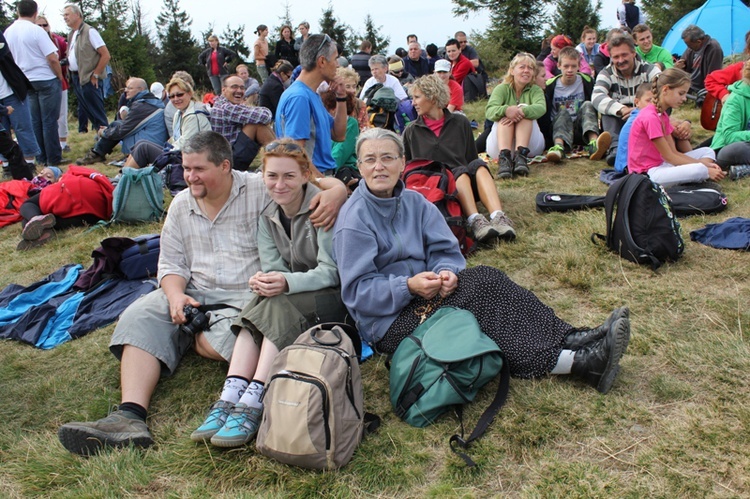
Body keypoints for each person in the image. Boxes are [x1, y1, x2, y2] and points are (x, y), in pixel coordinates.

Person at [57, 131, 348, 456]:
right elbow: (169, 263)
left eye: (198, 169)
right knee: (140, 316)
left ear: (225, 166)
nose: (189, 177)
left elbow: (312, 182)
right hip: (194, 293)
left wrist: (336, 192)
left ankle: (240, 395)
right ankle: (129, 417)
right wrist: (176, 295)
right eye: (185, 168)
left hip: (243, 301)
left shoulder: (260, 188)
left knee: (227, 336)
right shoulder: (182, 205)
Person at [333, 128, 631, 394]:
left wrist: (446, 273)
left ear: (402, 162)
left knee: (489, 278)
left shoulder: (415, 202)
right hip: (388, 322)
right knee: (475, 314)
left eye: (387, 157)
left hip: (428, 292)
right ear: (359, 167)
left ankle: (574, 337)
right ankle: (576, 363)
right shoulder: (354, 219)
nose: (379, 166)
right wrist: (407, 287)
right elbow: (358, 294)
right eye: (369, 160)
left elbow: (444, 249)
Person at [189, 139, 349, 447]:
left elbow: (331, 271)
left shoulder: (322, 207)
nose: (279, 184)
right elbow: (273, 266)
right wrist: (266, 281)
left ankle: (255, 396)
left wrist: (285, 283)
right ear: (263, 176)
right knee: (263, 297)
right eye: (272, 176)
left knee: (274, 303)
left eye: (289, 176)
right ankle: (231, 395)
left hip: (333, 299)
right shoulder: (268, 216)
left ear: (305, 175)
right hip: (294, 299)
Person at [404, 74, 515, 243]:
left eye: (417, 97)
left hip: (466, 184)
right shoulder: (411, 131)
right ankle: (475, 220)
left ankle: (498, 216)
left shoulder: (460, 122)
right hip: (438, 187)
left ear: (432, 96)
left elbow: (471, 156)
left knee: (478, 165)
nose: (413, 103)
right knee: (459, 172)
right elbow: (410, 169)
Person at [627, 68, 725, 186]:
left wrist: (703, 164)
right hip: (647, 173)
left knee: (708, 151)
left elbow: (674, 152)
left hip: (663, 164)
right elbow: (669, 157)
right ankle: (699, 175)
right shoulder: (650, 117)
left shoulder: (662, 114)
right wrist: (704, 168)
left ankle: (694, 175)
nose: (684, 99)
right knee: (699, 170)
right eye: (681, 93)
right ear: (666, 89)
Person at [275, 34, 348, 177]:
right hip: (314, 183)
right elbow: (296, 155)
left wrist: (341, 97)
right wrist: (326, 186)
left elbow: (338, 135)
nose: (338, 65)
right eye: (335, 59)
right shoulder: (299, 98)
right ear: (322, 61)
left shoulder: (310, 94)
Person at [4, 0, 64, 167]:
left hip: (24, 80)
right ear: (35, 13)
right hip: (44, 78)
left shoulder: (8, 32)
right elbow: (52, 58)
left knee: (34, 121)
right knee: (49, 120)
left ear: (18, 12)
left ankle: (40, 157)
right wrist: (59, 75)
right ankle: (53, 158)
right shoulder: (36, 31)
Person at [592, 33, 660, 166]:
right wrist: (621, 109)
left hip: (646, 119)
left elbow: (663, 93)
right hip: (620, 120)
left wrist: (640, 111)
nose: (620, 60)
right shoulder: (606, 73)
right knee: (607, 112)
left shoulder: (650, 69)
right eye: (615, 57)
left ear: (634, 53)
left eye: (624, 55)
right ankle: (616, 149)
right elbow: (596, 97)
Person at [17, 165, 113, 250]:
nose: (41, 176)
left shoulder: (61, 183)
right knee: (48, 221)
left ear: (58, 178)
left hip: (72, 190)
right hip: (96, 212)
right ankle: (42, 231)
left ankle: (36, 220)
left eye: (49, 176)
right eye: (41, 173)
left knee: (28, 206)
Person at [123, 78, 211, 169]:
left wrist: (167, 150)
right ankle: (122, 175)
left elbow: (186, 144)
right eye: (171, 96)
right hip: (180, 154)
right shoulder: (179, 113)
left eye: (179, 95)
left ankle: (123, 179)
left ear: (189, 94)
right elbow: (176, 138)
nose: (176, 99)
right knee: (141, 143)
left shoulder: (194, 115)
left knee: (143, 148)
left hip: (190, 160)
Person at [76, 77, 167, 165]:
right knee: (116, 124)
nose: (126, 90)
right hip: (155, 143)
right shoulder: (149, 101)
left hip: (147, 146)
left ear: (141, 89)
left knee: (116, 126)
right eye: (126, 88)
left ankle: (96, 153)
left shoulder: (141, 105)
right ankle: (98, 153)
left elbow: (122, 131)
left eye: (130, 88)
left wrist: (103, 132)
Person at [543, 47, 611, 163]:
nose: (570, 70)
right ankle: (559, 147)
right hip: (559, 128)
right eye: (566, 66)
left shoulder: (587, 81)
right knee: (563, 110)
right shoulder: (550, 85)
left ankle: (594, 143)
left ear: (579, 66)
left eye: (573, 66)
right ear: (559, 66)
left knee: (588, 104)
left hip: (580, 128)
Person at [486, 52, 547, 179]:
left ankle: (521, 157)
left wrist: (520, 111)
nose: (526, 71)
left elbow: (541, 108)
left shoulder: (536, 90)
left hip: (530, 144)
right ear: (512, 70)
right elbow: (489, 111)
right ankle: (505, 159)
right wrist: (507, 110)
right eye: (522, 67)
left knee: (524, 111)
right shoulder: (501, 89)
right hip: (499, 144)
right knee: (504, 116)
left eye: (530, 68)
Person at [210, 74, 274, 170]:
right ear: (224, 90)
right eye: (234, 87)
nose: (239, 91)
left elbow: (258, 115)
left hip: (231, 155)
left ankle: (279, 156)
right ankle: (280, 157)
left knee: (256, 121)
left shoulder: (225, 103)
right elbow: (265, 116)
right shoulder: (227, 108)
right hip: (229, 161)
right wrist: (262, 113)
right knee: (255, 124)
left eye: (242, 88)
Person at [62, 3, 109, 131]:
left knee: (97, 111)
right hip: (77, 78)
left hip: (89, 78)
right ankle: (100, 137)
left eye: (67, 14)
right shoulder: (72, 34)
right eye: (63, 15)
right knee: (88, 111)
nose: (64, 17)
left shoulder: (90, 31)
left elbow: (105, 55)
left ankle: (108, 138)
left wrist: (95, 74)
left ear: (77, 15)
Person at [36, 15, 69, 153]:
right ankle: (44, 148)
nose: (43, 28)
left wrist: (61, 69)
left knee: (61, 114)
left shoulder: (57, 39)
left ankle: (62, 143)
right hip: (38, 82)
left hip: (58, 80)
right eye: (39, 26)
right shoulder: (32, 39)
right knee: (41, 118)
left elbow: (68, 53)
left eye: (45, 25)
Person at [711, 60, 750, 172]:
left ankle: (744, 170)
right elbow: (730, 136)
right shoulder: (736, 100)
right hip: (727, 149)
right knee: (741, 148)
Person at [614, 82, 653, 173]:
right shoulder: (642, 118)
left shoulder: (640, 114)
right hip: (629, 167)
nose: (652, 105)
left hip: (628, 165)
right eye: (648, 101)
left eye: (655, 101)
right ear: (636, 102)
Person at [674, 25, 724, 97]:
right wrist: (677, 67)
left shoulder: (714, 49)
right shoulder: (692, 48)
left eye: (688, 45)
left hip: (701, 88)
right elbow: (682, 63)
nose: (688, 47)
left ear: (699, 41)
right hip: (689, 83)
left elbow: (713, 75)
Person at [321, 90, 359, 172]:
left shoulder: (351, 123)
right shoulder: (325, 123)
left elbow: (340, 152)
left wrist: (327, 173)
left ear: (334, 109)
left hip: (343, 170)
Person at [338, 67, 369, 131]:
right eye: (348, 86)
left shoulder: (360, 104)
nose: (352, 90)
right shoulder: (331, 104)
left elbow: (365, 129)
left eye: (354, 86)